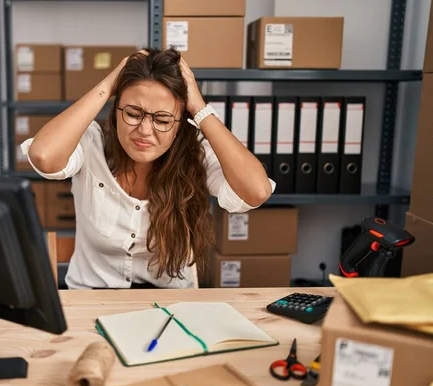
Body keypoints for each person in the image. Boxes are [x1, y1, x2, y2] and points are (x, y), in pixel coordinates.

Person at [20, 48, 275, 290]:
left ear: (179, 125)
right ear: (116, 110)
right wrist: (109, 84)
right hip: (93, 298)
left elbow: (256, 191)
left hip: (169, 306)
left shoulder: (195, 153)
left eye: (162, 119)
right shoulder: (91, 142)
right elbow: (44, 156)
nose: (144, 130)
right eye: (133, 113)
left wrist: (199, 108)